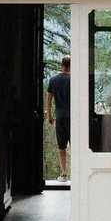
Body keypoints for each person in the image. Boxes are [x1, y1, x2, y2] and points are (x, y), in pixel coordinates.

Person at [46, 55, 73, 183]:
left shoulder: (53, 79)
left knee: (61, 146)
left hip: (60, 117)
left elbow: (48, 99)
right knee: (76, 146)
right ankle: (77, 172)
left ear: (62, 65)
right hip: (74, 117)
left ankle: (63, 174)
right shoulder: (74, 79)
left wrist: (49, 115)